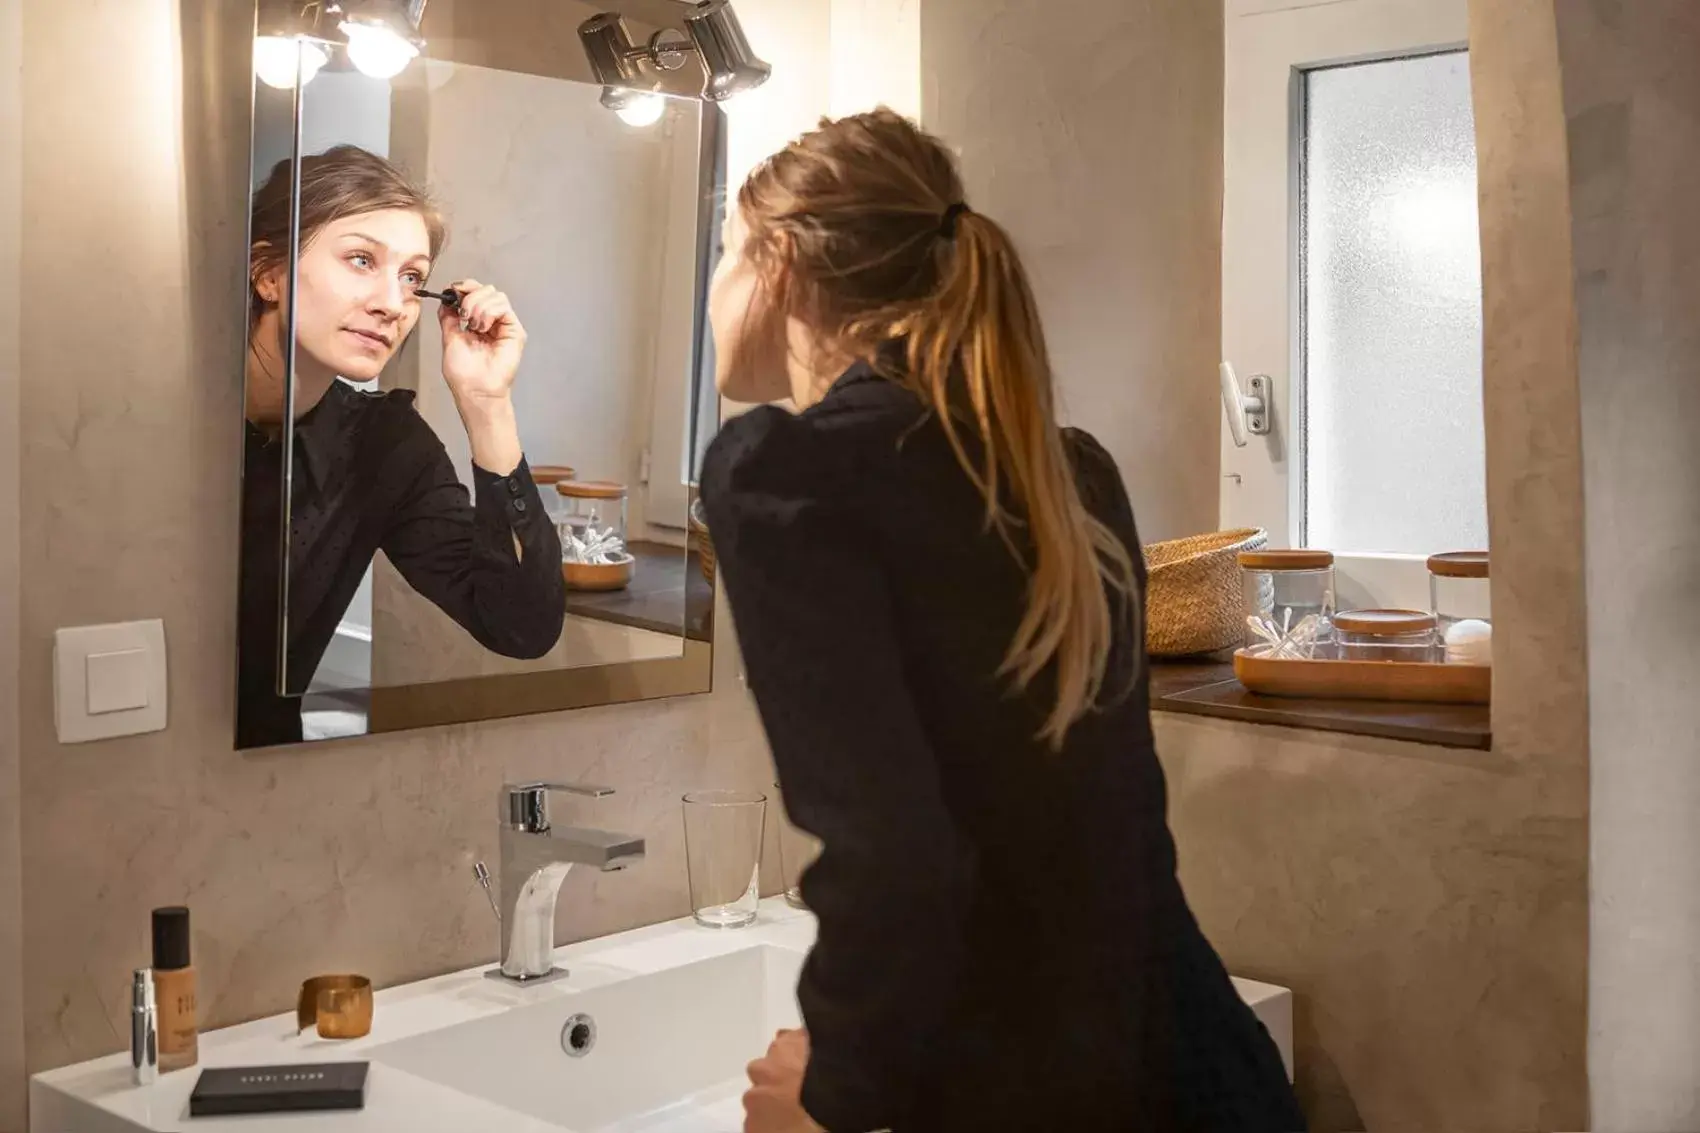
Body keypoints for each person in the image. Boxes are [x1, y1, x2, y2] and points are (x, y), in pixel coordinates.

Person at [700, 110, 1306, 1132]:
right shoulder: (1069, 469)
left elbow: (894, 855)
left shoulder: (784, 473)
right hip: (1194, 1064)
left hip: (1017, 1088)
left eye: (724, 249)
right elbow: (1094, 833)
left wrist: (831, 1094)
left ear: (780, 264)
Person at [237, 145, 565, 748]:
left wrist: (487, 404)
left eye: (412, 277)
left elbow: (522, 627)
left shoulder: (383, 447)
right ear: (269, 273)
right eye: (361, 259)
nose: (393, 304)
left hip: (259, 779)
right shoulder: (167, 420)